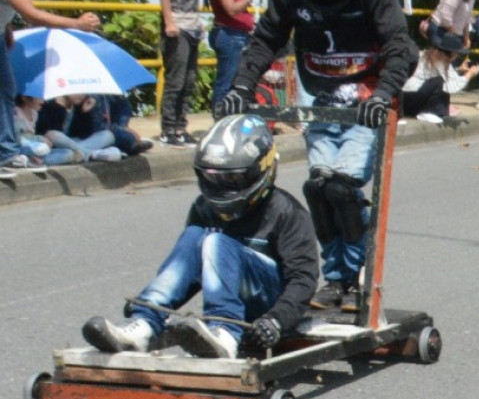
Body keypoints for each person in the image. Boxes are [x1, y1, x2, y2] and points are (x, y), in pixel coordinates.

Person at [217, 0, 417, 312]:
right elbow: (265, 41)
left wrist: (383, 94)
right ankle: (337, 280)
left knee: (344, 186)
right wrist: (240, 87)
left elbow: (401, 46)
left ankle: (355, 274)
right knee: (321, 188)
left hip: (366, 103)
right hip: (320, 99)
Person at [81, 114, 318, 359]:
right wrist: (158, 303)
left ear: (261, 169)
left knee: (216, 240)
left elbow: (304, 279)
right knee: (196, 235)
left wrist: (276, 320)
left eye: (232, 178)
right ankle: (145, 322)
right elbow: (194, 271)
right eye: (213, 177)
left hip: (268, 304)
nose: (222, 186)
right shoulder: (204, 208)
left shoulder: (287, 212)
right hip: (231, 297)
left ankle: (225, 331)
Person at [0, 0, 99, 177]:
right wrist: (76, 24)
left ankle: (6, 152)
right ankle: (5, 153)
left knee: (6, 89)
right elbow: (30, 13)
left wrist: (6, 25)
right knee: (3, 91)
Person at [158, 0, 220, 148]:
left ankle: (180, 127)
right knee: (176, 78)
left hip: (191, 21)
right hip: (177, 22)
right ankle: (168, 128)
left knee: (189, 79)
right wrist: (169, 21)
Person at [205, 0, 268, 110]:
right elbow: (231, 9)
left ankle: (230, 114)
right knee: (227, 80)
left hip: (237, 34)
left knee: (236, 79)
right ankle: (220, 116)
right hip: (230, 35)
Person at [402, 33, 479, 123]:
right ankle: (431, 112)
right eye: (456, 53)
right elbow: (452, 86)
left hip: (407, 99)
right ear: (450, 52)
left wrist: (459, 69)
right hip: (413, 96)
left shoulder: (431, 55)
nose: (457, 55)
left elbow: (445, 75)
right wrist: (470, 74)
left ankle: (429, 112)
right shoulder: (440, 60)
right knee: (440, 83)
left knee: (439, 82)